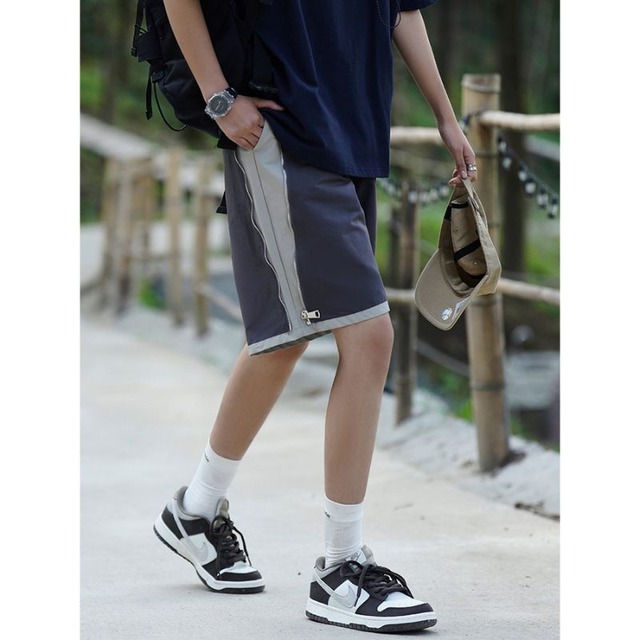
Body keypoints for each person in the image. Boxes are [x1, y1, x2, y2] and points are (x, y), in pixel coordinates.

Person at [153, 0, 477, 633]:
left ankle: (196, 510)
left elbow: (401, 9)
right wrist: (218, 98)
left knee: (286, 335)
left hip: (354, 131)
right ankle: (340, 568)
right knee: (369, 337)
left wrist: (446, 117)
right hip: (281, 130)